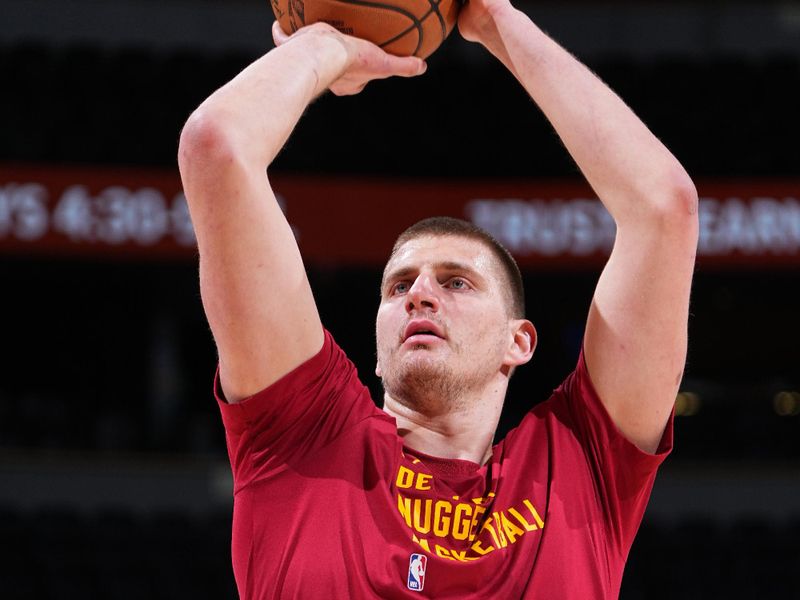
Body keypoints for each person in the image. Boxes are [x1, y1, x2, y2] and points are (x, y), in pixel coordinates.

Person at [177, 0, 699, 597]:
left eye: (456, 282)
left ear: (519, 341)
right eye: (398, 286)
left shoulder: (581, 464)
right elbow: (216, 148)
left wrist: (495, 20)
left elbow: (665, 209)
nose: (419, 294)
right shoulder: (305, 434)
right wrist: (325, 45)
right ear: (376, 347)